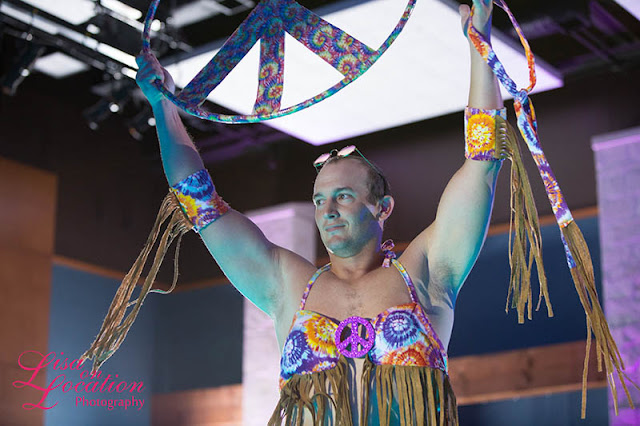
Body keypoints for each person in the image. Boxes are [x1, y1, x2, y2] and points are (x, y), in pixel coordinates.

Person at [132, 0, 502, 424]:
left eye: (343, 196)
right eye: (319, 200)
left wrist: (480, 47)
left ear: (382, 207)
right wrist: (163, 107)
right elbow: (198, 203)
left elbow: (483, 162)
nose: (327, 211)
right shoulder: (286, 284)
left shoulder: (428, 272)